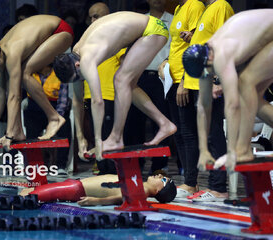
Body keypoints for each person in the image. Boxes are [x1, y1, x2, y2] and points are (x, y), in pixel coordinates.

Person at [182, 9, 273, 171]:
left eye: (209, 72)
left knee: (246, 84)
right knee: (253, 94)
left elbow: (232, 105)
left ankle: (243, 150)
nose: (208, 76)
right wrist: (203, 150)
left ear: (209, 59)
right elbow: (203, 106)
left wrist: (232, 152)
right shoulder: (206, 57)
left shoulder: (220, 54)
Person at [53, 12, 177, 161]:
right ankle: (164, 124)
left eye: (79, 76)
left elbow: (97, 101)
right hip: (146, 30)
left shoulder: (86, 59)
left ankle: (116, 138)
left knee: (120, 80)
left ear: (77, 65)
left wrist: (98, 140)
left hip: (153, 30)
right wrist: (84, 138)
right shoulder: (77, 50)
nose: (82, 78)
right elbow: (80, 99)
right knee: (129, 85)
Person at [0, 15, 74, 150]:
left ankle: (54, 118)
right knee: (14, 80)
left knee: (25, 73)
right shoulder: (0, 53)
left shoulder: (12, 53)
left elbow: (14, 96)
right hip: (49, 31)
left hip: (61, 31)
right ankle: (18, 131)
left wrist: (8, 135)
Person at [178, 0, 234, 201]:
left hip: (212, 83)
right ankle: (195, 183)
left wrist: (218, 80)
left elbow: (225, 44)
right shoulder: (207, 9)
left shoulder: (221, 6)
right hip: (197, 83)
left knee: (214, 134)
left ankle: (219, 187)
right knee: (197, 135)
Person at [124, 0, 173, 174]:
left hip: (162, 77)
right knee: (133, 123)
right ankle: (135, 164)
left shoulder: (174, 21)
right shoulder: (139, 21)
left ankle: (159, 166)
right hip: (139, 75)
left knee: (161, 121)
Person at [166, 0, 204, 195]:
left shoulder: (195, 6)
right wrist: (166, 62)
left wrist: (184, 81)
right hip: (171, 79)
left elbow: (196, 45)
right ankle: (189, 181)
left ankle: (191, 181)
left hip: (185, 78)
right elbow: (177, 45)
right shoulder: (179, 8)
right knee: (178, 133)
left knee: (188, 132)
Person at [83, 2, 125, 174]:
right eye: (91, 17)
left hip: (110, 97)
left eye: (97, 16)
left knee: (110, 141)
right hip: (91, 97)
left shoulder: (116, 39)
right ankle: (103, 175)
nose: (93, 20)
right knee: (96, 139)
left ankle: (114, 178)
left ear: (107, 17)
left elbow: (125, 68)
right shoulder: (86, 40)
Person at [24, 64, 72, 177]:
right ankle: (33, 165)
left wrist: (56, 120)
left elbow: (63, 101)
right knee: (31, 130)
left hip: (55, 110)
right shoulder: (29, 73)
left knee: (65, 126)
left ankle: (61, 165)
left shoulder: (60, 73)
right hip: (35, 109)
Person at [19, 173, 177, 205]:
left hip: (77, 189)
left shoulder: (140, 192)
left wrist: (96, 201)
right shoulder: (139, 186)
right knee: (28, 193)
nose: (158, 175)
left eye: (163, 179)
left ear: (158, 191)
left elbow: (118, 198)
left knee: (27, 195)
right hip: (75, 185)